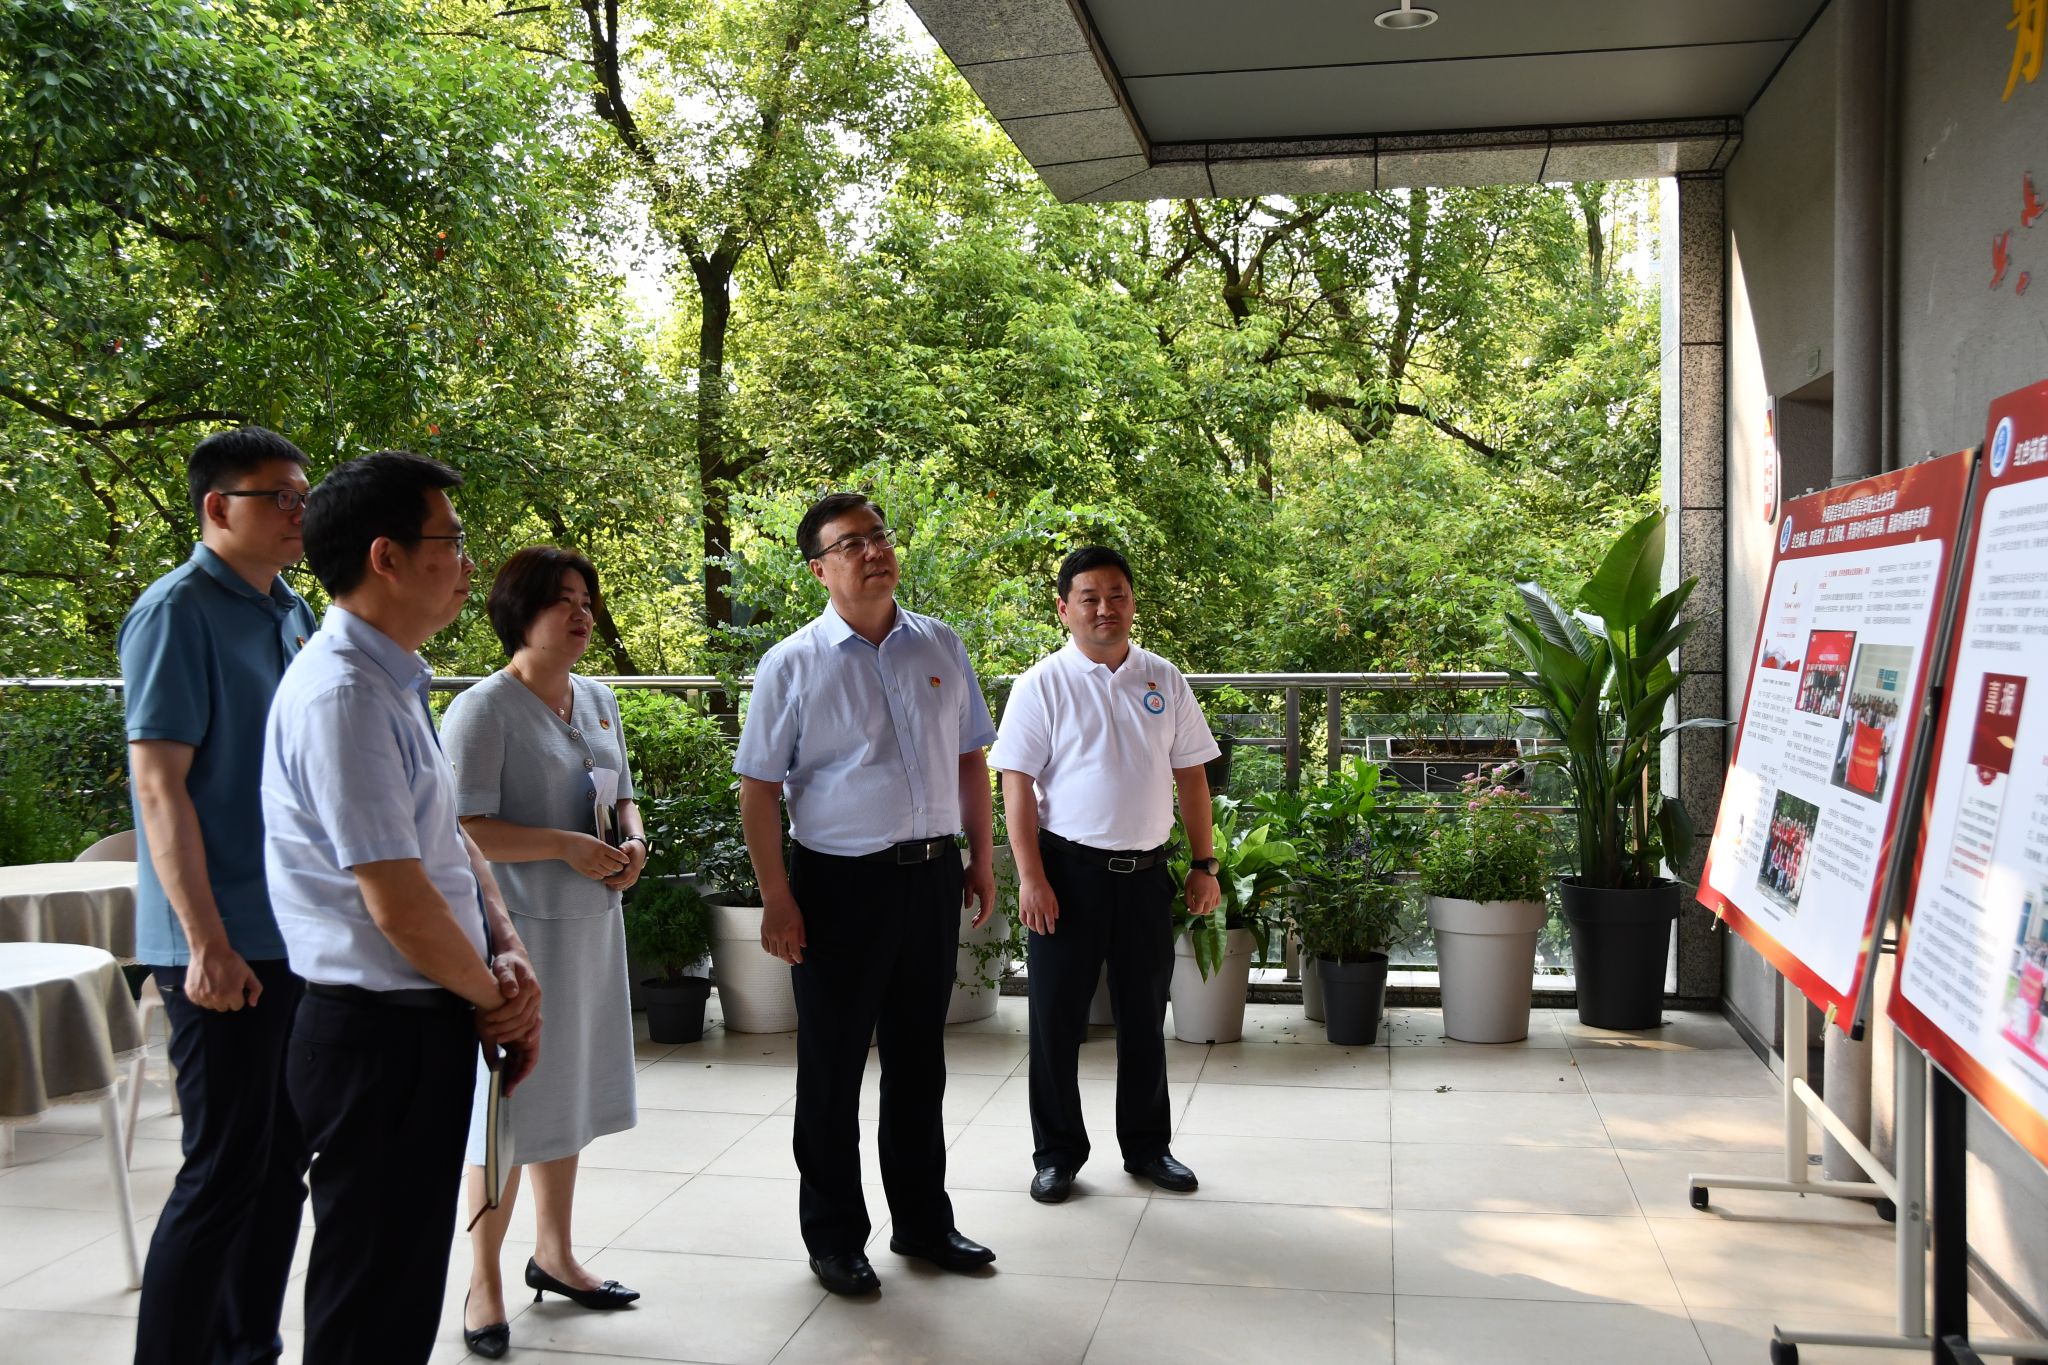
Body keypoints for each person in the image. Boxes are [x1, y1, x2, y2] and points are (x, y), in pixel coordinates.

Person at [261, 451, 542, 1365]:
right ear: (386, 557)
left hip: (418, 1019)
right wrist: (496, 998)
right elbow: (399, 902)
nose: (468, 561)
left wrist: (504, 946)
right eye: (450, 541)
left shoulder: (390, 677)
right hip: (373, 1034)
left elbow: (444, 840)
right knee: (371, 1296)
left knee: (403, 1279)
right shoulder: (343, 693)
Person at [733, 491, 999, 1296]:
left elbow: (970, 759)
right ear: (819, 568)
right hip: (838, 887)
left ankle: (922, 1221)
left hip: (931, 875)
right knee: (834, 1067)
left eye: (879, 536)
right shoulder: (791, 663)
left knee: (920, 1062)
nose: (874, 550)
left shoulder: (940, 644)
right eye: (851, 543)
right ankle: (835, 1237)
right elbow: (758, 788)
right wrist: (777, 896)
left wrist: (980, 857)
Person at [121, 426, 318, 1365]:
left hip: (293, 929)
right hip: (218, 938)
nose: (298, 512)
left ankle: (248, 1348)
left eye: (303, 496)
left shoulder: (291, 608)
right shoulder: (177, 611)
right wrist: (204, 940)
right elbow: (160, 786)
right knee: (224, 1168)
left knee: (281, 1166)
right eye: (278, 496)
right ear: (216, 507)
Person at [445, 547, 647, 1357]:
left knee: (567, 1089)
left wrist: (632, 840)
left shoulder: (597, 698)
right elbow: (462, 829)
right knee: (504, 1108)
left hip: (592, 923)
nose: (582, 611)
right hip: (518, 936)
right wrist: (562, 844)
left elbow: (621, 794)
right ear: (518, 611)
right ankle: (483, 1279)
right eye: (563, 598)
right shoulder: (482, 710)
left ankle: (555, 1253)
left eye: (587, 598)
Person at [987, 545, 1220, 1205]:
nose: (1104, 608)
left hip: (1146, 876)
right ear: (1064, 609)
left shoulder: (1163, 678)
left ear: (1132, 602)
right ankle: (1057, 1153)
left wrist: (1203, 863)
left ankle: (1147, 1147)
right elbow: (1015, 786)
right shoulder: (1041, 684)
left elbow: (1192, 776)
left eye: (1117, 595)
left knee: (1144, 1017)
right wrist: (1031, 877)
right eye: (1089, 597)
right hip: (1067, 874)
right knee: (1055, 1021)